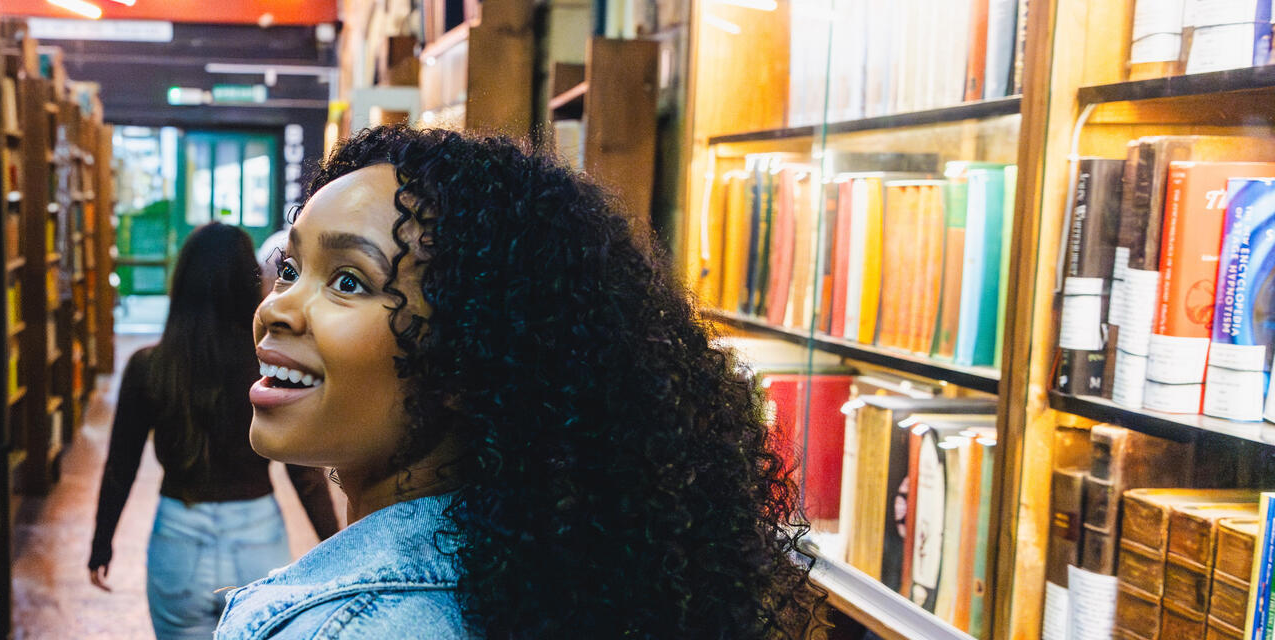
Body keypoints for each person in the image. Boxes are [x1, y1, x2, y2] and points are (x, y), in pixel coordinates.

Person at [218, 126, 821, 638]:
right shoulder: (545, 581)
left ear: (465, 355)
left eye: (349, 281)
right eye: (290, 269)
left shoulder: (351, 626)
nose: (277, 307)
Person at [89, 222, 340, 640]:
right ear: (248, 283)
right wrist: (334, 551)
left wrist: (102, 543)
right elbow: (305, 474)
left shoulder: (149, 367)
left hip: (177, 541)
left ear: (183, 283)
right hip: (258, 540)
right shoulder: (270, 367)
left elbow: (121, 467)